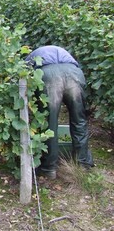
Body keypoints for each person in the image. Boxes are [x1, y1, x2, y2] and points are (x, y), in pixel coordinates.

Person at [26, 45, 94, 179]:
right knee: (79, 119)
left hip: (49, 75)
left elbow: (25, 83)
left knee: (49, 122)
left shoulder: (30, 58)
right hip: (73, 73)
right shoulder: (63, 53)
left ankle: (49, 168)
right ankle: (83, 164)